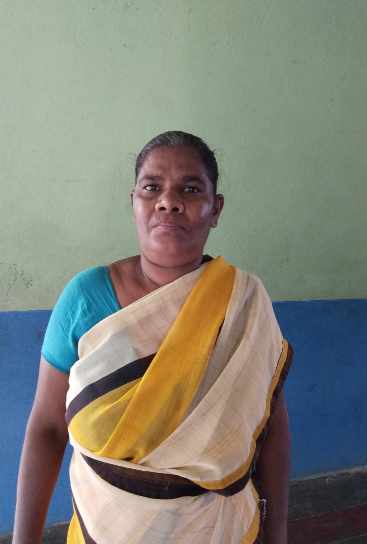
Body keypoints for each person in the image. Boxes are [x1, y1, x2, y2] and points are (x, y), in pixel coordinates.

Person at [13, 131, 292, 544]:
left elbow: (270, 428)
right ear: (134, 203)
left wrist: (277, 533)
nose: (168, 201)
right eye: (152, 187)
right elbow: (48, 427)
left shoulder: (244, 303)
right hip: (103, 530)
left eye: (190, 189)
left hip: (221, 530)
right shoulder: (85, 298)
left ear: (215, 209)